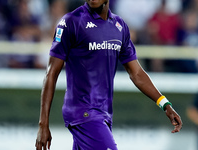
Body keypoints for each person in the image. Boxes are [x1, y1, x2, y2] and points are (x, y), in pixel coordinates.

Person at [35, 0, 182, 150]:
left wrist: (164, 104)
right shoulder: (71, 22)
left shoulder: (119, 26)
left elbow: (136, 73)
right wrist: (43, 124)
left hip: (104, 114)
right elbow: (51, 73)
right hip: (83, 113)